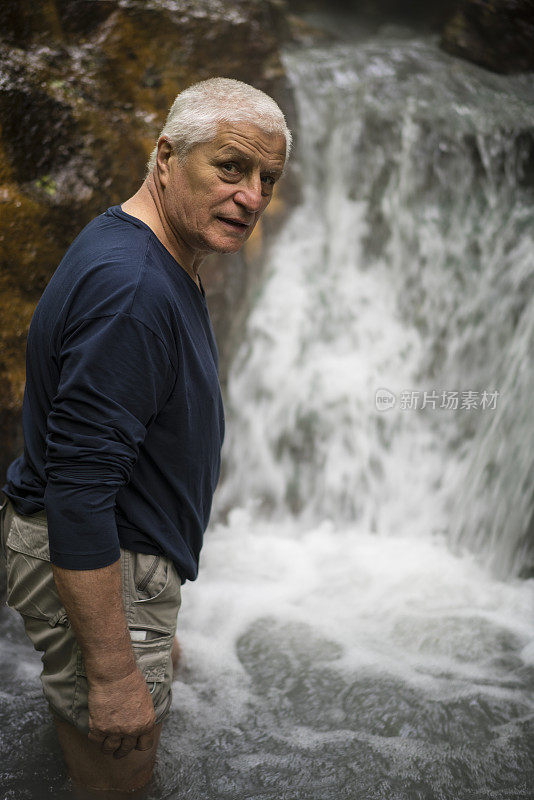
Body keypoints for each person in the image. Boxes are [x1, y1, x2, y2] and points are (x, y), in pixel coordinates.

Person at [0, 77, 291, 794]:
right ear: (166, 156)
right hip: (99, 555)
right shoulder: (133, 291)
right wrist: (114, 667)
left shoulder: (142, 248)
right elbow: (77, 492)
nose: (251, 196)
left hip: (120, 560)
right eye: (230, 168)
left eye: (267, 178)